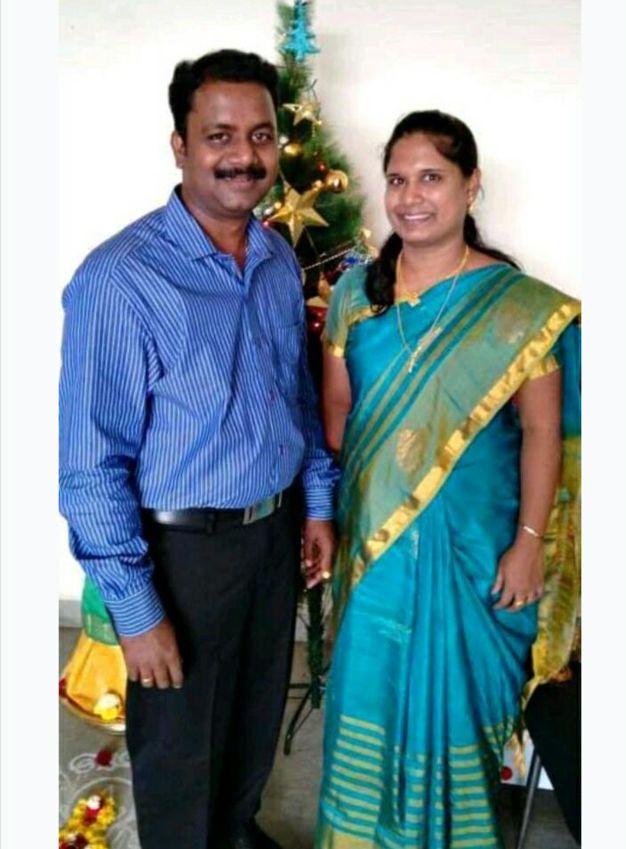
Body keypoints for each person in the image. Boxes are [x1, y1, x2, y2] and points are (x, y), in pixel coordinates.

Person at [59, 48, 337, 849]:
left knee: (252, 723)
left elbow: (296, 395)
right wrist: (137, 610)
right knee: (180, 755)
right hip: (181, 556)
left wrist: (317, 503)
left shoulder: (277, 259)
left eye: (260, 135)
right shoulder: (122, 279)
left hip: (271, 537)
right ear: (180, 145)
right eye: (220, 136)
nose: (243, 156)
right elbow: (90, 464)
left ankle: (238, 833)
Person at [315, 110, 580, 849]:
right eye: (397, 179)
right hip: (376, 545)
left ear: (472, 185)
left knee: (458, 705)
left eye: (431, 177)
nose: (410, 196)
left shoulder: (518, 306)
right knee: (367, 695)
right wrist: (388, 475)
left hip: (477, 549)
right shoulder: (355, 296)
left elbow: (541, 432)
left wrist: (529, 542)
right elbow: (336, 414)